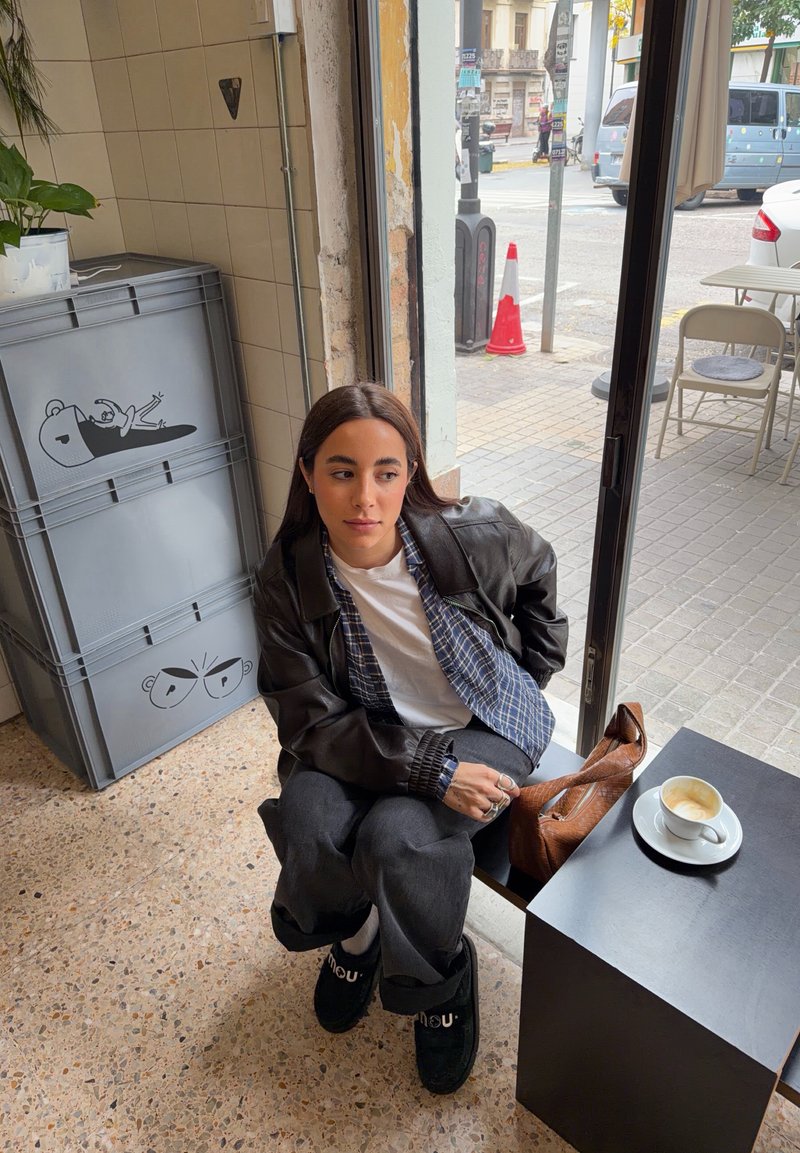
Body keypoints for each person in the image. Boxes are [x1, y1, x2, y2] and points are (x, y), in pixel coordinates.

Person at [254, 383, 568, 1095]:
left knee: (396, 836)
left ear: (409, 474)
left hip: (481, 728)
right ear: (308, 474)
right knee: (307, 817)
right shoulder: (288, 577)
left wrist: (528, 672)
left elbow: (541, 569)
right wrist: (425, 768)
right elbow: (309, 720)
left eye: (386, 472)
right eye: (342, 470)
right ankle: (359, 934)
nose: (365, 496)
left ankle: (438, 982)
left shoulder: (470, 534)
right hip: (363, 728)